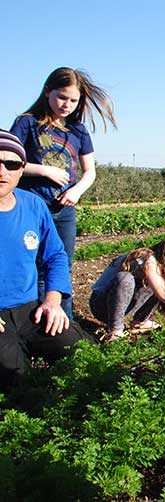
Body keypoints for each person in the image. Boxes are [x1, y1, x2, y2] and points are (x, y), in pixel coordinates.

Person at [10, 67, 117, 318]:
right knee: (35, 266)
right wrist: (45, 170)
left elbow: (89, 171)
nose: (66, 104)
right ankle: (34, 323)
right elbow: (10, 160)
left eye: (73, 100)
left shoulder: (78, 131)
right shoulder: (27, 123)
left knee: (61, 266)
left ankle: (63, 323)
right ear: (47, 91)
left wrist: (77, 191)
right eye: (62, 97)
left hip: (64, 210)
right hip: (34, 207)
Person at [0, 130, 93, 389]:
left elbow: (55, 256)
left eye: (11, 164)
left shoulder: (33, 205)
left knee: (85, 353)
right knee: (16, 382)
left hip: (29, 309)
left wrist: (53, 301)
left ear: (21, 170)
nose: (2, 171)